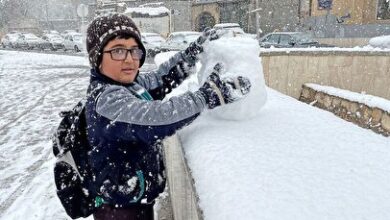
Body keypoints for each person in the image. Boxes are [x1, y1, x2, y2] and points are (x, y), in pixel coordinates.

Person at [85, 13, 252, 220]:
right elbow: (158, 118)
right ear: (97, 57)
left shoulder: (128, 85)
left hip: (135, 198)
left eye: (134, 51)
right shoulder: (107, 100)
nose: (129, 59)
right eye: (118, 51)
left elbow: (161, 78)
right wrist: (208, 96)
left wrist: (191, 54)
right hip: (118, 210)